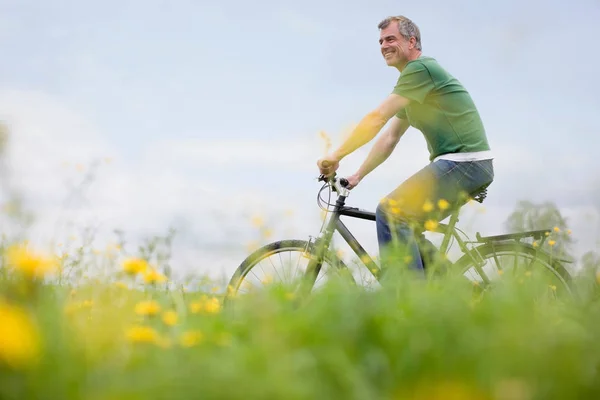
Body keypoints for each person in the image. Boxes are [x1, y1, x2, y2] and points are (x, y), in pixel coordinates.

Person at [316, 15, 494, 278]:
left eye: (391, 39)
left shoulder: (420, 70)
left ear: (412, 42)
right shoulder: (414, 86)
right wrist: (357, 175)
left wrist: (335, 154)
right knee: (405, 225)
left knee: (391, 212)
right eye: (380, 41)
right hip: (466, 165)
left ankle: (408, 304)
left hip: (465, 163)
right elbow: (390, 139)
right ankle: (454, 294)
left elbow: (377, 118)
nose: (384, 46)